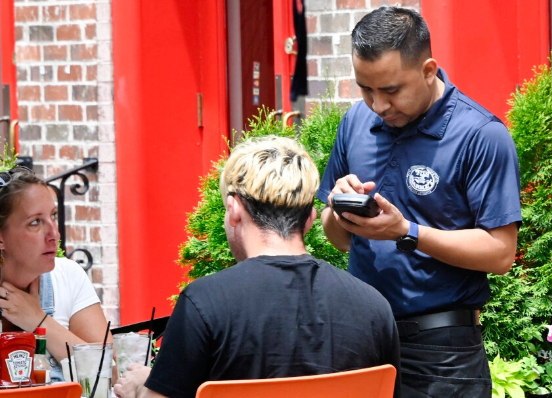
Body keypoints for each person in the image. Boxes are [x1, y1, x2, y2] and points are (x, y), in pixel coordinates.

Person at [317, 6, 522, 397]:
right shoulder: (354, 123)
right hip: (363, 340)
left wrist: (406, 232)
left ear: (429, 70)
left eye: (391, 90)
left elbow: (500, 254)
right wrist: (340, 208)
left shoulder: (480, 135)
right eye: (365, 89)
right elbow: (341, 240)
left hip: (442, 353)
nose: (378, 105)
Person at [114, 136, 400, 398]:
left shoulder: (204, 303)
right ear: (311, 218)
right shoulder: (374, 307)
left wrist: (143, 386)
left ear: (234, 209)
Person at [0, 165, 111, 382]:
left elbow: (109, 373)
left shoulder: (68, 276)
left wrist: (39, 321)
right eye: (35, 222)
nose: (54, 233)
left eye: (53, 216)